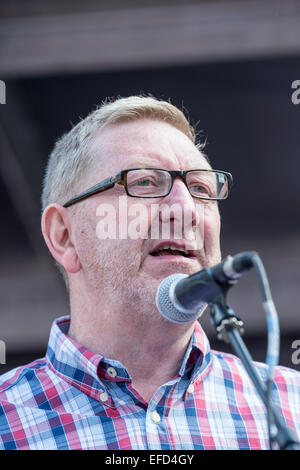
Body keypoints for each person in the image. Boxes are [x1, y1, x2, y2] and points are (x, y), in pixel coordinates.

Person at [0, 95, 299, 450]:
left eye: (201, 188)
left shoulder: (290, 407)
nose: (186, 209)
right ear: (64, 236)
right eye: (143, 183)